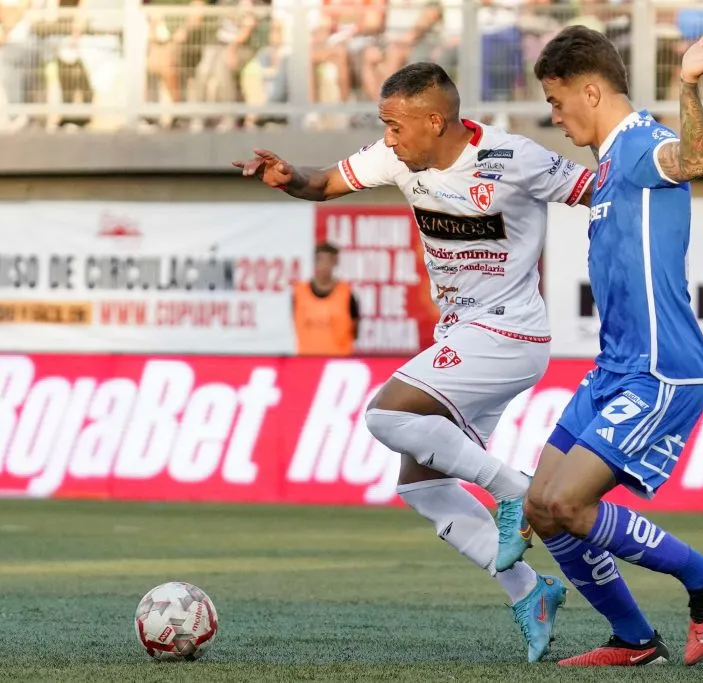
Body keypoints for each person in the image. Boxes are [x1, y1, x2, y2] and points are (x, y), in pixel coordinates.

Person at [234, 61, 593, 662]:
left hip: (509, 334)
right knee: (423, 487)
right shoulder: (400, 156)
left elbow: (595, 191)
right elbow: (324, 183)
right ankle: (530, 592)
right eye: (384, 127)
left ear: (435, 120)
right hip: (464, 336)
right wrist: (287, 174)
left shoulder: (513, 157)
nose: (388, 139)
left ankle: (516, 493)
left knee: (385, 415)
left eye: (396, 126)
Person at [494, 25, 703, 667]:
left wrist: (688, 85)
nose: (554, 118)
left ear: (590, 90)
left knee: (566, 503)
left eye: (557, 103)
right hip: (612, 370)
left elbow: (691, 160)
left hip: (662, 370)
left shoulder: (642, 145)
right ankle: (635, 641)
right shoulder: (609, 166)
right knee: (540, 506)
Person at [293, 242, 360, 356]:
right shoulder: (299, 293)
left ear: (335, 262)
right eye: (320, 260)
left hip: (338, 361)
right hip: (305, 361)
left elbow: (355, 329)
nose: (324, 265)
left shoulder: (346, 294)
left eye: (328, 261)